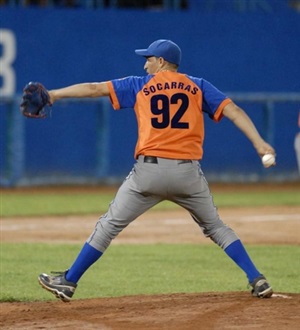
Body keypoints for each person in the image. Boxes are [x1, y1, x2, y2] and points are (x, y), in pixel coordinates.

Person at [38, 39, 275, 302]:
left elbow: (94, 89)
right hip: (188, 174)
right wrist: (259, 142)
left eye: (149, 59)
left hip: (148, 173)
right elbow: (234, 111)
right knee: (217, 228)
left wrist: (53, 94)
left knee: (108, 226)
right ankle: (257, 278)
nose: (145, 64)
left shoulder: (140, 85)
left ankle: (69, 282)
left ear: (161, 61)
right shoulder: (198, 85)